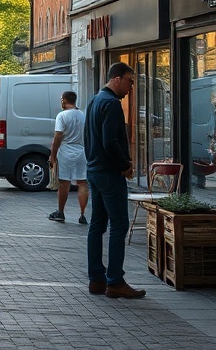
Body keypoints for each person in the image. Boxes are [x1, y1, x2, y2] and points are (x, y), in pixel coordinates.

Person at [85, 62, 145, 299]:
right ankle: (115, 281)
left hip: (94, 170)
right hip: (109, 174)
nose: (131, 87)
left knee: (97, 225)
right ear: (117, 79)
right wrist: (125, 166)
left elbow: (89, 138)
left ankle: (96, 279)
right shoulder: (111, 104)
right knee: (119, 225)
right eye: (130, 81)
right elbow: (110, 141)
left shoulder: (94, 100)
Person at [48, 90, 88, 224]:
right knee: (82, 183)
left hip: (66, 152)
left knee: (64, 183)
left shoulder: (62, 116)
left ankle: (60, 212)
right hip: (81, 152)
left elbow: (58, 136)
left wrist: (53, 156)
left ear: (64, 100)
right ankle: (82, 214)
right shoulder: (82, 115)